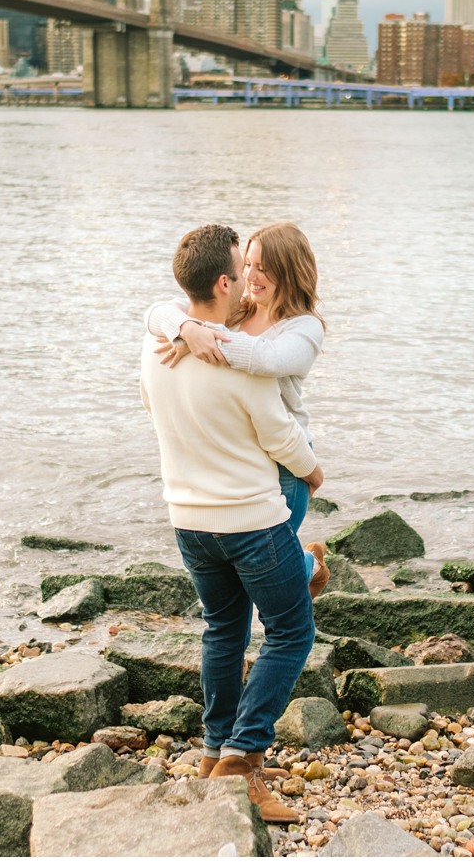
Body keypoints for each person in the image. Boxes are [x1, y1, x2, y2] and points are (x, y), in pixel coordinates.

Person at [140, 222, 321, 827]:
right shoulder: (238, 362)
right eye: (246, 267)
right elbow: (279, 436)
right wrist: (315, 474)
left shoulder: (155, 349)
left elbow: (158, 391)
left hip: (187, 518)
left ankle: (215, 751)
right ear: (227, 279)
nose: (252, 276)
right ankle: (242, 760)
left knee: (223, 629)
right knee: (292, 632)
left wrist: (187, 328)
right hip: (248, 516)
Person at [148, 221, 330, 598]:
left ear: (290, 270)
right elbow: (154, 312)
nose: (250, 275)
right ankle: (308, 567)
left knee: (266, 572)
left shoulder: (304, 329)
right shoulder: (235, 311)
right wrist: (185, 328)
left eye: (264, 267)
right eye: (247, 264)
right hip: (240, 456)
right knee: (252, 576)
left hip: (287, 463)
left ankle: (307, 571)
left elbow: (267, 360)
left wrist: (203, 337)